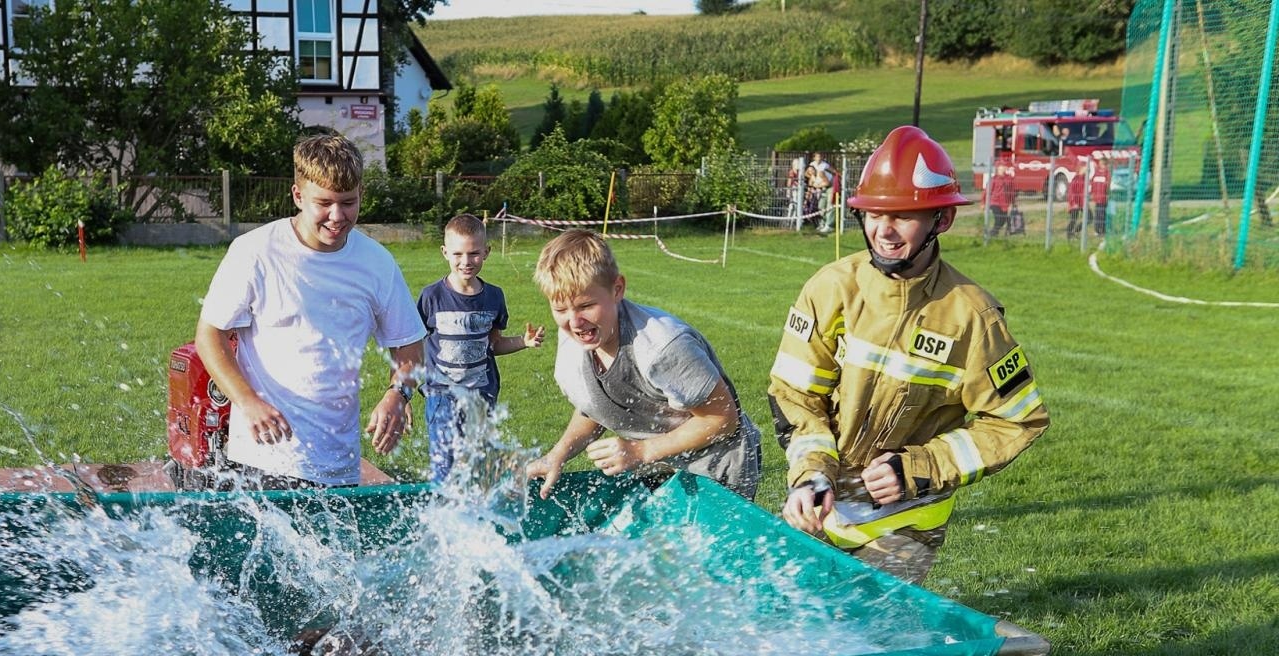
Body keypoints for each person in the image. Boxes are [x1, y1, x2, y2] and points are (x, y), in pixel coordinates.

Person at [767, 125, 1050, 582]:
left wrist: (920, 467)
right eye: (874, 213)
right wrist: (811, 474)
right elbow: (795, 395)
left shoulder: (973, 317)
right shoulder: (831, 289)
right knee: (789, 613)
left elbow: (1018, 420)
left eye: (903, 216)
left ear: (942, 219)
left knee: (864, 624)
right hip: (821, 508)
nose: (884, 230)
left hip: (906, 522)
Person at [195, 133, 426, 489]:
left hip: (338, 462)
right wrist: (247, 401)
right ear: (298, 195)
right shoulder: (256, 252)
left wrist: (399, 393)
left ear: (361, 194)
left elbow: (409, 344)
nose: (337, 216)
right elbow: (210, 335)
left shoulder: (377, 262)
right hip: (262, 457)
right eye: (324, 203)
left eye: (348, 202)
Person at [525, 229, 761, 501]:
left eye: (586, 305)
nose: (575, 321)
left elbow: (723, 419)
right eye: (560, 309)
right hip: (656, 466)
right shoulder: (575, 338)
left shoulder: (663, 348)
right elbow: (595, 405)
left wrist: (641, 451)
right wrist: (557, 455)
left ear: (617, 289)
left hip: (716, 468)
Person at [417, 213, 544, 481]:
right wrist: (402, 393)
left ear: (486, 252)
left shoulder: (494, 296)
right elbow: (413, 346)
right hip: (442, 395)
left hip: (482, 394)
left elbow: (494, 344)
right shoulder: (431, 297)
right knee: (445, 466)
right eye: (458, 254)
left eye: (474, 253)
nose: (466, 261)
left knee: (478, 463)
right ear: (445, 252)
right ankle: (443, 505)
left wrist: (523, 342)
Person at [987, 160, 1017, 237]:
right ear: (998, 168)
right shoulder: (994, 179)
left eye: (1004, 166)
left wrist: (1012, 203)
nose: (1004, 167)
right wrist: (984, 202)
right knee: (998, 219)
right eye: (1002, 166)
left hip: (1005, 204)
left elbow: (1012, 192)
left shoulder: (1009, 178)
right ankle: (992, 234)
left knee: (1003, 221)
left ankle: (993, 234)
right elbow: (987, 191)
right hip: (995, 202)